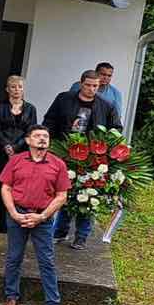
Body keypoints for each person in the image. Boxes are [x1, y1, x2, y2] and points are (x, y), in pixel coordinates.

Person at [0, 124, 72, 305]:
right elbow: (6, 188)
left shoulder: (58, 164)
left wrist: (42, 217)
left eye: (45, 136)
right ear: (28, 140)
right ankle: (11, 296)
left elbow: (62, 196)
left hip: (43, 218)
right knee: (14, 257)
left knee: (46, 261)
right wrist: (13, 213)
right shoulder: (16, 160)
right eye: (37, 136)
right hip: (18, 215)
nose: (42, 139)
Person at [44, 69, 123, 249]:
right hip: (64, 152)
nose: (91, 89)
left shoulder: (107, 105)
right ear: (81, 84)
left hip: (92, 157)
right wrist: (49, 144)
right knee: (65, 193)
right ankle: (60, 231)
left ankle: (81, 236)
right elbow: (49, 121)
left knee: (88, 196)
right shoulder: (64, 99)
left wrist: (107, 152)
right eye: (88, 85)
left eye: (95, 86)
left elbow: (116, 129)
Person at [0, 75, 38, 233]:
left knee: (14, 186)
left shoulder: (30, 109)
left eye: (20, 87)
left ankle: (8, 222)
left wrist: (16, 146)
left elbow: (31, 130)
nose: (17, 90)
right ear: (7, 89)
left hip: (20, 152)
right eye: (13, 87)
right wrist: (6, 145)